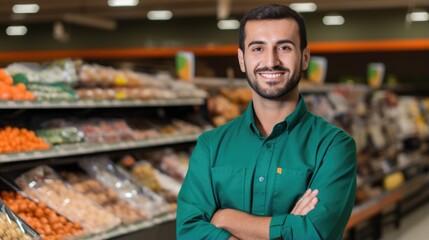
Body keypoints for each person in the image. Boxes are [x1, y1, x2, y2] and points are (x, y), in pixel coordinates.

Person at [177, 4, 356, 240]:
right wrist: (290, 226)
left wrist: (227, 219)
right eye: (258, 48)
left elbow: (315, 234)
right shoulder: (210, 146)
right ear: (242, 59)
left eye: (284, 47)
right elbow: (189, 230)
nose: (271, 61)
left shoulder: (333, 146)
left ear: (305, 57)